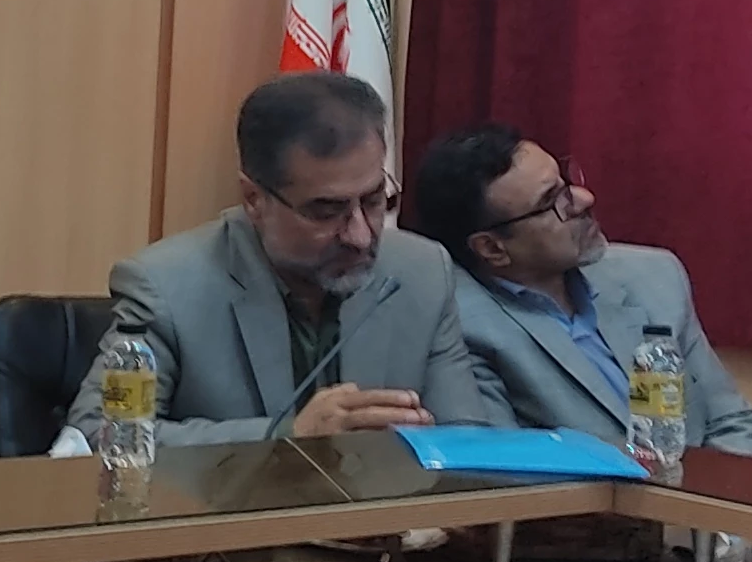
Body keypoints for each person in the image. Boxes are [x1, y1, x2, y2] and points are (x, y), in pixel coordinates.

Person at [88, 72, 508, 447]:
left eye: (374, 200)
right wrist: (287, 438)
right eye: (326, 211)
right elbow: (97, 436)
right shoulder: (164, 287)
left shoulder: (422, 271)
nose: (360, 236)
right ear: (254, 199)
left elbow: (465, 441)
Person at [408, 123, 752, 456]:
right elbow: (510, 475)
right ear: (492, 248)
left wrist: (708, 507)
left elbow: (734, 423)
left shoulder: (654, 278)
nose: (584, 198)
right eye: (551, 202)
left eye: (567, 181)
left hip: (703, 501)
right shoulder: (459, 326)